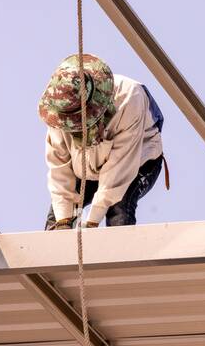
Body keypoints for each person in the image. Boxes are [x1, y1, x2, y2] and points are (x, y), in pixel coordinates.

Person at [38, 54, 167, 229]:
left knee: (119, 208)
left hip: (136, 163)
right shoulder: (59, 110)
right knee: (59, 216)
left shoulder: (129, 98)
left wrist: (92, 222)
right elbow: (59, 170)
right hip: (86, 168)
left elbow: (119, 167)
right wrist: (63, 222)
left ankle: (121, 254)